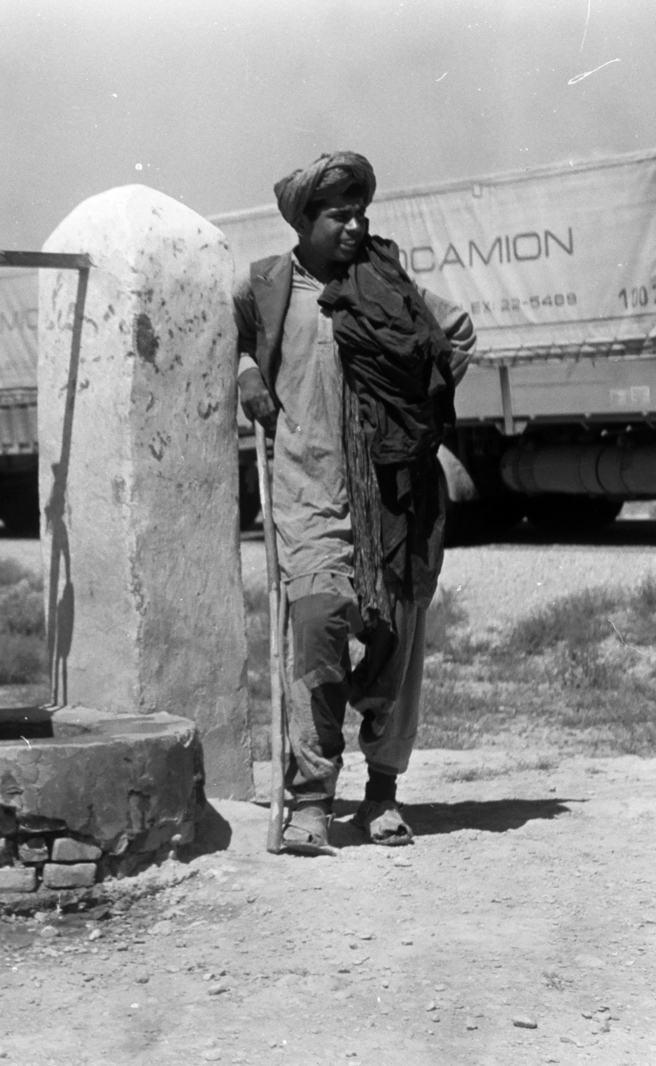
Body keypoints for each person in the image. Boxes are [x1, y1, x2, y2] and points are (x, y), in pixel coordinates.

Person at [233, 151, 475, 853]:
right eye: (340, 214)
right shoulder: (269, 285)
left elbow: (455, 332)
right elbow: (232, 338)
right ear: (303, 221)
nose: (355, 224)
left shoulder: (388, 283)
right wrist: (250, 370)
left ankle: (381, 793)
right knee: (316, 626)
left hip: (392, 494)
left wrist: (415, 408)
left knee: (397, 640)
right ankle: (310, 798)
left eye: (360, 211)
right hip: (308, 487)